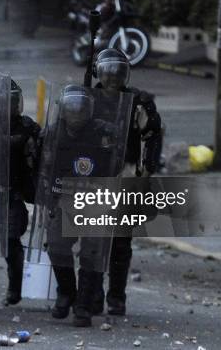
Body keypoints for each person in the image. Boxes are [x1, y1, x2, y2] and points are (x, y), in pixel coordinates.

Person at [37, 85, 131, 327]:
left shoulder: (104, 132)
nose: (77, 115)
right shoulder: (53, 133)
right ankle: (67, 291)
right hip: (63, 198)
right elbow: (44, 168)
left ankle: (84, 305)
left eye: (81, 110)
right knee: (56, 247)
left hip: (94, 199)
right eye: (72, 110)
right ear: (64, 112)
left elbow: (118, 164)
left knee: (92, 253)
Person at [92, 48, 162, 319]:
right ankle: (92, 295)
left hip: (126, 174)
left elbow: (152, 136)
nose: (112, 79)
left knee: (120, 242)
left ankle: (117, 297)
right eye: (107, 73)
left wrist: (146, 173)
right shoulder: (88, 99)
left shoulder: (138, 102)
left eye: (117, 73)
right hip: (94, 178)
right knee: (93, 240)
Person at [0, 78, 40, 309]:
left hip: (12, 192)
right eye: (3, 101)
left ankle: (15, 289)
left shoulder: (26, 126)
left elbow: (44, 154)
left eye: (12, 101)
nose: (8, 106)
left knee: (12, 241)